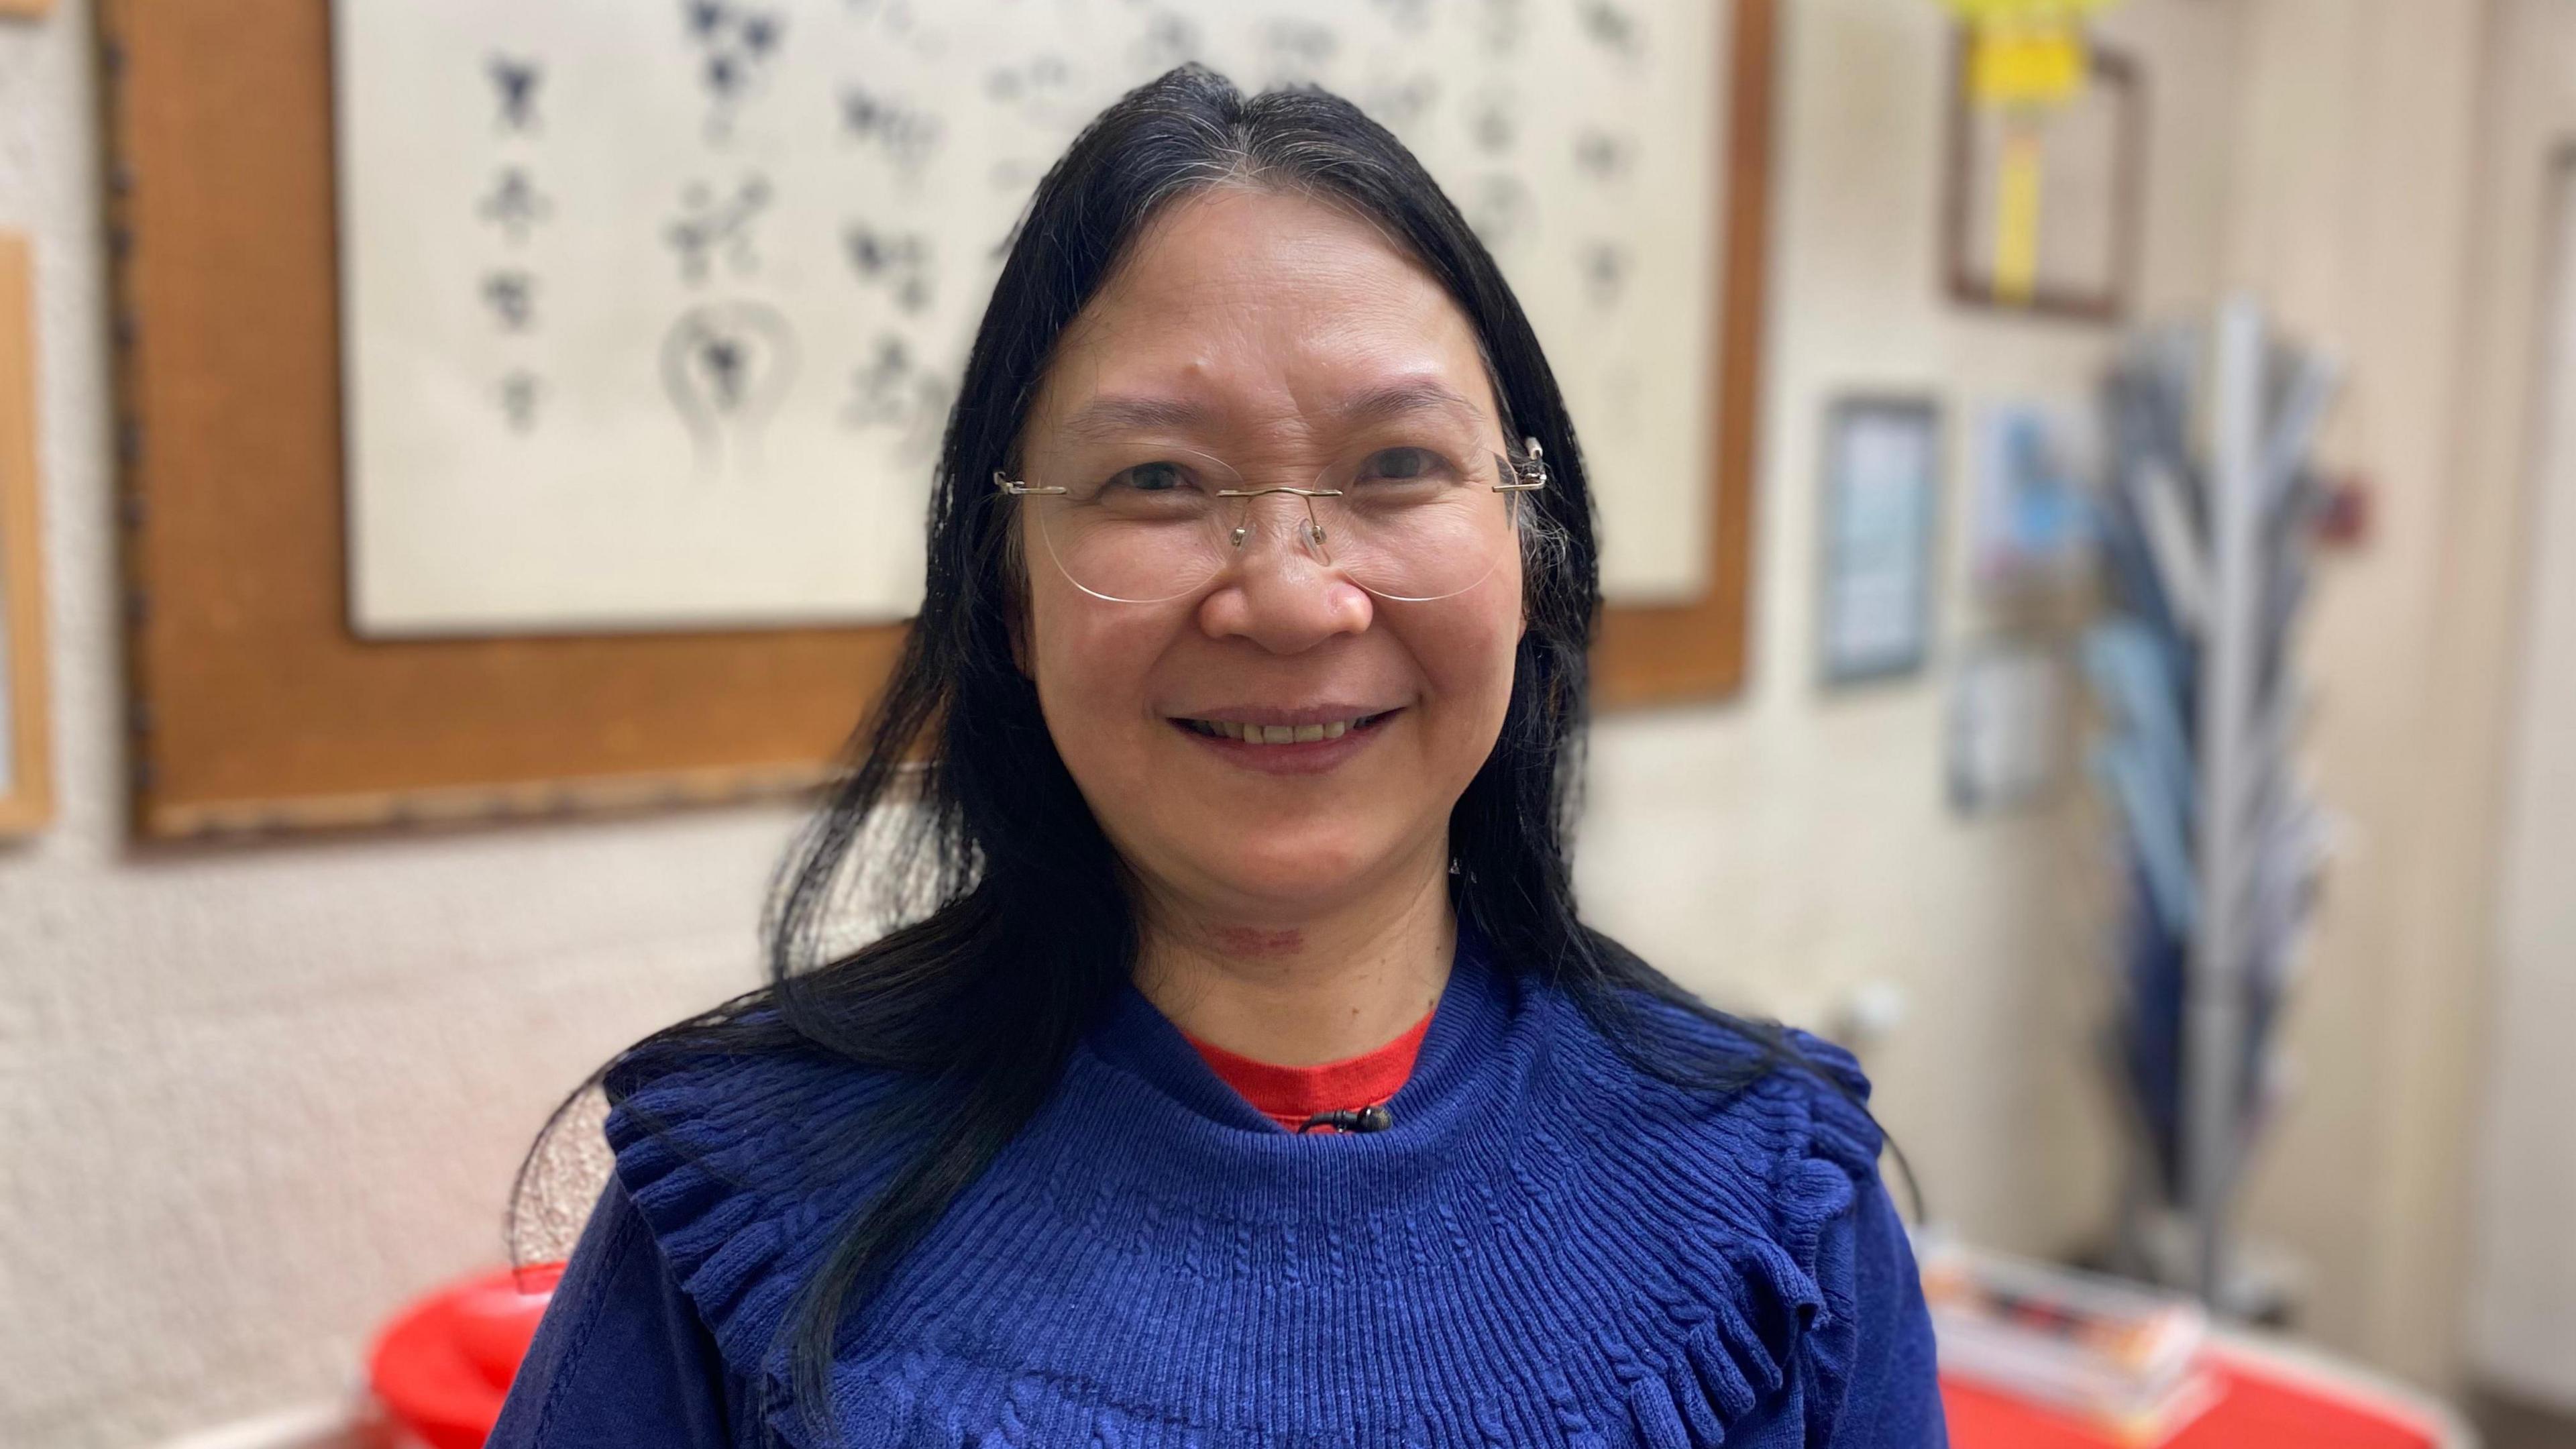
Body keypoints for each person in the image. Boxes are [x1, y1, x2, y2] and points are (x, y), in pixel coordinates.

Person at [490, 64, 1943, 1448]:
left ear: (1533, 556)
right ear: (1010, 594)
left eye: (1395, 467)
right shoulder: (754, 1187)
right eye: (1159, 480)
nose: (1295, 597)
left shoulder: (1774, 1193)